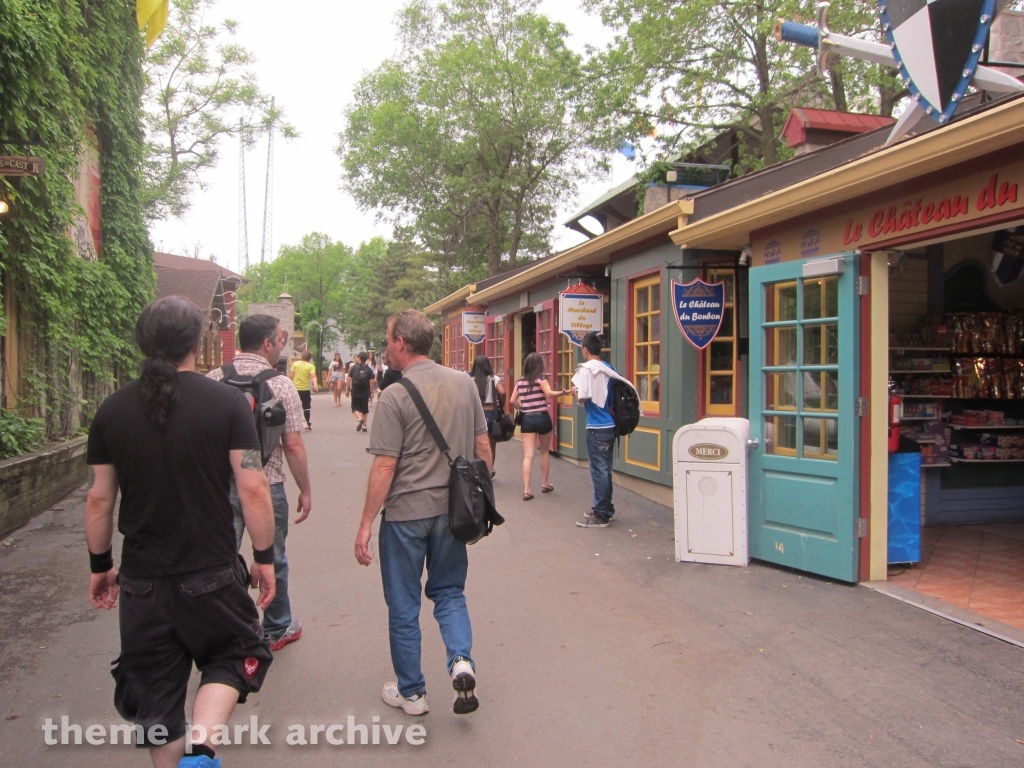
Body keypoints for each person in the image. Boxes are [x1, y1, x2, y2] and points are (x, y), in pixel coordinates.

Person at [86, 296, 276, 768]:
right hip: (211, 571)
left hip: (142, 581)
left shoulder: (110, 412)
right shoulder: (229, 404)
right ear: (197, 344)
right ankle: (203, 749)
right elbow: (252, 486)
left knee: (155, 694)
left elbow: (99, 498)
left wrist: (100, 566)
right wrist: (265, 556)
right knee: (237, 653)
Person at [354, 309, 492, 717]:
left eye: (387, 338)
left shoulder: (395, 396)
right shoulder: (464, 384)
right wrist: (481, 497)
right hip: (453, 512)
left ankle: (412, 692)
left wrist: (364, 524)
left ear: (401, 343)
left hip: (405, 516)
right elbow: (483, 447)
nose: (385, 345)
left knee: (403, 603)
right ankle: (461, 660)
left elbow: (384, 467)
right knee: (449, 591)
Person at [208, 314, 311, 651]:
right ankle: (277, 626)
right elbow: (292, 444)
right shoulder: (280, 385)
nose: (281, 346)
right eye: (279, 341)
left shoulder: (213, 379)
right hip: (268, 486)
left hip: (219, 486)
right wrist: (305, 490)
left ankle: (224, 627)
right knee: (273, 557)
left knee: (220, 558)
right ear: (267, 343)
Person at [571, 333, 635, 528]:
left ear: (585, 349)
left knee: (598, 471)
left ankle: (600, 514)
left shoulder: (587, 369)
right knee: (605, 470)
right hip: (611, 425)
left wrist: (575, 392)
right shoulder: (609, 368)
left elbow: (581, 398)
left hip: (596, 426)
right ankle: (606, 508)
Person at [509, 352, 569, 501]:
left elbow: (512, 401)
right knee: (544, 452)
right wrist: (562, 392)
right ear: (539, 365)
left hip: (527, 419)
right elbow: (549, 394)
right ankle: (544, 484)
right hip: (542, 418)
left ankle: (527, 490)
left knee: (528, 455)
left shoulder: (520, 382)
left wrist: (522, 408)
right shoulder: (541, 379)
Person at [470, 355, 505, 475]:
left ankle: (477, 470)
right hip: (491, 414)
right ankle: (489, 470)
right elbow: (502, 391)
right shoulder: (494, 379)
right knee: (491, 444)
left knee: (475, 444)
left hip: (475, 413)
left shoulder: (471, 380)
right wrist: (500, 404)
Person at [290, 350, 318, 431]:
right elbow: (313, 376)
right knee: (306, 407)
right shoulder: (310, 366)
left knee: (295, 407)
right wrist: (315, 385)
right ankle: (307, 424)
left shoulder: (295, 364)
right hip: (305, 389)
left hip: (296, 389)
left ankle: (295, 425)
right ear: (309, 358)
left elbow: (291, 376)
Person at [348, 351, 374, 432]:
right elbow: (371, 381)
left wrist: (347, 389)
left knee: (355, 407)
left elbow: (348, 378)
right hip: (365, 390)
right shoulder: (369, 369)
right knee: (364, 409)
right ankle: (364, 426)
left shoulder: (353, 368)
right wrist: (371, 391)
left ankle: (359, 418)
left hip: (355, 390)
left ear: (359, 358)